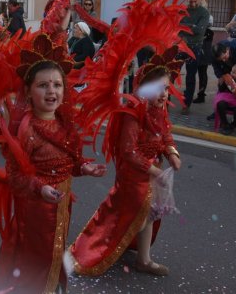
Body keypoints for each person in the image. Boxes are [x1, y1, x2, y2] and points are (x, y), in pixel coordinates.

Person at [0, 57, 106, 293]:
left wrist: (85, 168)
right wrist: (41, 188)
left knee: (55, 250)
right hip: (36, 209)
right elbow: (16, 175)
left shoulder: (63, 122)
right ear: (28, 92)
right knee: (38, 256)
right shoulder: (27, 130)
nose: (52, 91)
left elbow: (70, 161)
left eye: (57, 85)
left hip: (60, 205)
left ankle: (51, 287)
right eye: (43, 85)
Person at [71, 54, 182, 277]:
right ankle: (96, 248)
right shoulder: (132, 113)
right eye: (158, 88)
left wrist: (172, 154)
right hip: (133, 175)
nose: (163, 94)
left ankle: (144, 259)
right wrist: (154, 170)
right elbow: (129, 151)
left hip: (152, 172)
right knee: (130, 216)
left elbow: (165, 134)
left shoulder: (159, 110)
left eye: (166, 89)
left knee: (150, 215)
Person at [178, 0, 210, 114]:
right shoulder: (182, 11)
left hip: (194, 48)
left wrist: (183, 26)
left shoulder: (204, 12)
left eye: (195, 1)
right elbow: (175, 25)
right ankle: (165, 99)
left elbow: (200, 30)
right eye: (190, 1)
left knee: (190, 76)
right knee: (171, 73)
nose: (192, 4)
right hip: (179, 47)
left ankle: (187, 104)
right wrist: (191, 26)